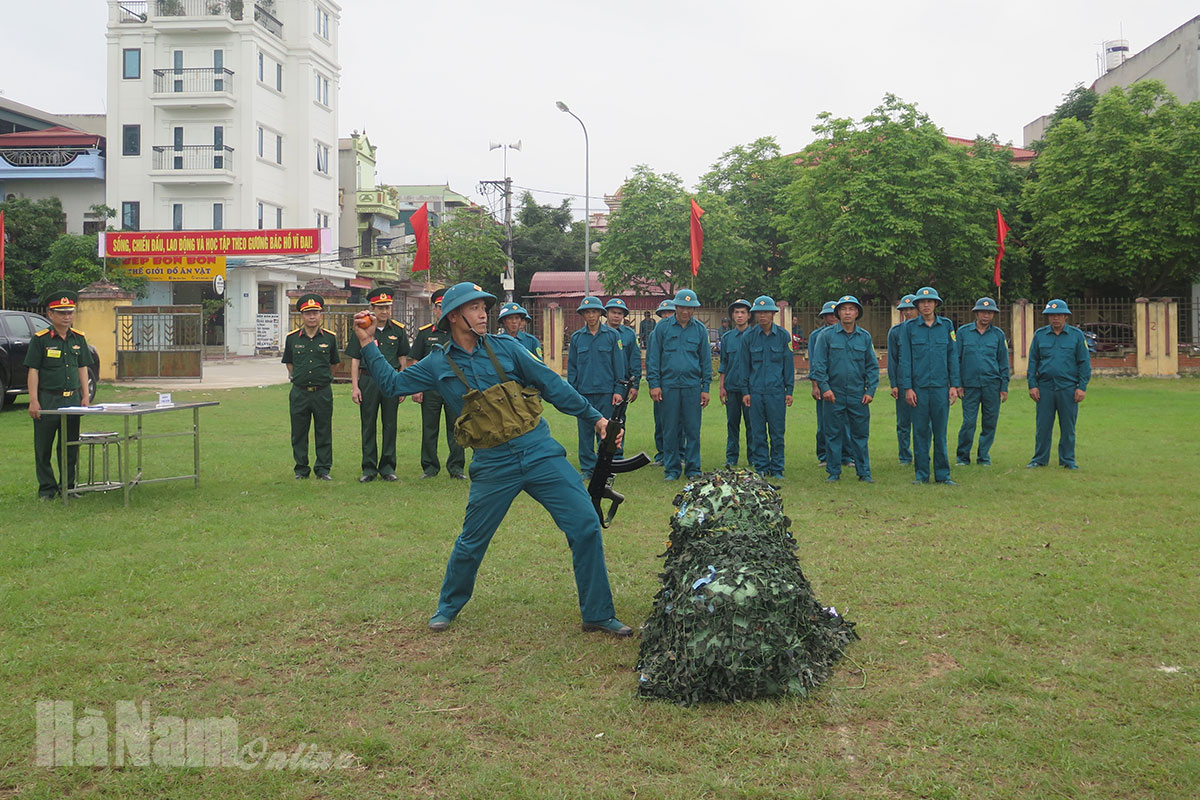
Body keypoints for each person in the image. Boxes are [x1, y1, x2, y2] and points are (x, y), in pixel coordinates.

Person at [353, 282, 632, 636]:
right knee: (472, 541)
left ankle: (597, 613)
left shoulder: (508, 349)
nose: (484, 313)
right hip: (492, 463)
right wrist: (366, 344)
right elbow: (393, 385)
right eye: (474, 308)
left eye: (485, 307)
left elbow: (552, 385)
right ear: (453, 316)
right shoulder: (437, 363)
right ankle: (447, 607)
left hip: (539, 451)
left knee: (586, 524)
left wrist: (597, 418)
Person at [24, 290, 94, 500]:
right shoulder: (41, 339)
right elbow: (33, 370)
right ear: (50, 314)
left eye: (70, 312)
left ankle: (68, 487)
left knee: (70, 445)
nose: (67, 316)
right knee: (43, 447)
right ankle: (47, 489)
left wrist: (85, 395)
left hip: (72, 399)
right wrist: (34, 400)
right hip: (48, 399)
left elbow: (82, 367)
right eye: (61, 312)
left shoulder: (78, 338)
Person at [810, 294, 879, 483]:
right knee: (832, 433)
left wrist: (870, 391)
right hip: (834, 393)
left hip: (858, 394)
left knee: (860, 434)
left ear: (857, 313)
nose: (847, 313)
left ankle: (864, 472)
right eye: (843, 309)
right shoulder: (826, 336)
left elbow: (872, 367)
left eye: (851, 309)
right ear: (838, 313)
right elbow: (819, 365)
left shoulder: (864, 337)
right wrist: (825, 388)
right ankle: (833, 472)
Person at [897, 286, 961, 485]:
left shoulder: (947, 326)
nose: (926, 305)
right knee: (920, 432)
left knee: (940, 434)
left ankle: (943, 475)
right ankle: (922, 475)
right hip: (919, 389)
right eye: (922, 302)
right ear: (917, 305)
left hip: (941, 388)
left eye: (930, 302)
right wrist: (907, 388)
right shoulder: (909, 328)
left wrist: (954, 385)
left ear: (936, 304)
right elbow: (905, 359)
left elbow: (953, 357)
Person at [646, 289, 710, 481]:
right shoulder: (663, 328)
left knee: (692, 430)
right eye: (682, 307)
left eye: (689, 308)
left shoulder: (699, 330)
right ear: (676, 306)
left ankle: (693, 469)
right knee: (670, 429)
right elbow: (653, 358)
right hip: (668, 386)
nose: (685, 311)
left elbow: (705, 361)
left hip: (692, 387)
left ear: (694, 309)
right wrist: (654, 384)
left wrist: (705, 388)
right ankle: (672, 469)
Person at [346, 287, 409, 483]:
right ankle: (369, 468)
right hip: (369, 380)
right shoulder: (362, 329)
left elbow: (402, 358)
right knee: (368, 424)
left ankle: (388, 467)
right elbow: (355, 360)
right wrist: (355, 386)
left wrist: (403, 383)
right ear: (372, 308)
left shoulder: (398, 330)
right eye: (380, 307)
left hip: (390, 381)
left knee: (390, 424)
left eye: (387, 307)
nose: (384, 311)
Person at [1026, 299, 1091, 470]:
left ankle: (1068, 460)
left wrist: (1081, 387)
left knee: (1068, 427)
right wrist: (1032, 385)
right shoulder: (1040, 335)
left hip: (1068, 388)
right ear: (1047, 317)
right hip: (1045, 388)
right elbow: (1033, 361)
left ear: (1065, 316)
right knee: (1043, 427)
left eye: (1059, 315)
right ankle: (1039, 459)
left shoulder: (1076, 336)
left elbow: (1084, 363)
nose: (1055, 318)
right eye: (1052, 315)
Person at [410, 288, 466, 480]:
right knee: (429, 428)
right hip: (431, 389)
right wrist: (416, 387)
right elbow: (414, 361)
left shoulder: (460, 333)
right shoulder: (425, 334)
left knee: (457, 428)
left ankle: (456, 467)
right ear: (434, 309)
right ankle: (430, 467)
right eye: (439, 307)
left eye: (446, 306)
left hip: (454, 388)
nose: (442, 310)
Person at [282, 293, 340, 480]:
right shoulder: (292, 339)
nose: (312, 316)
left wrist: (322, 378)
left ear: (321, 315)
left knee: (324, 431)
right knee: (299, 432)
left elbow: (334, 363)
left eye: (315, 312)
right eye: (308, 313)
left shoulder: (330, 338)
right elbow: (289, 363)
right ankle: (301, 469)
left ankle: (323, 469)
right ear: (302, 316)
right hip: (299, 392)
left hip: (322, 392)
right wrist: (297, 377)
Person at [568, 296, 626, 479]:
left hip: (607, 392)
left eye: (594, 311)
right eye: (587, 312)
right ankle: (587, 468)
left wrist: (618, 390)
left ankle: (605, 468)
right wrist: (573, 392)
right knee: (585, 432)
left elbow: (619, 366)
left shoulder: (612, 336)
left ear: (600, 314)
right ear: (583, 315)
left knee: (607, 432)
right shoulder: (577, 338)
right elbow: (572, 368)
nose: (591, 315)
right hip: (584, 393)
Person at [739, 295, 794, 478]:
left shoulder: (783, 336)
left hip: (776, 392)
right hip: (755, 393)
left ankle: (777, 468)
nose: (763, 316)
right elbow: (744, 366)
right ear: (755, 315)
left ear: (773, 314)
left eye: (766, 312)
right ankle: (761, 467)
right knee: (758, 432)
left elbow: (788, 365)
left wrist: (790, 390)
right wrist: (745, 391)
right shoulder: (748, 337)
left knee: (777, 433)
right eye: (759, 312)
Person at [955, 297, 1009, 466]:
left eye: (990, 312)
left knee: (990, 422)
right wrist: (957, 384)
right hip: (969, 385)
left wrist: (1004, 387)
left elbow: (1003, 362)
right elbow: (956, 359)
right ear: (976, 313)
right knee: (968, 422)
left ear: (993, 315)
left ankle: (983, 456)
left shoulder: (999, 335)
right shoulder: (963, 332)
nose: (986, 315)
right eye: (983, 312)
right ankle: (962, 456)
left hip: (992, 385)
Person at [718, 298, 752, 467]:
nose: (739, 316)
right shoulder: (727, 338)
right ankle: (731, 458)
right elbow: (724, 363)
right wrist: (721, 386)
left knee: (752, 424)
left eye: (743, 312)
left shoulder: (755, 336)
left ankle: (753, 457)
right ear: (732, 315)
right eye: (736, 312)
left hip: (750, 389)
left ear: (748, 316)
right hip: (731, 387)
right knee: (732, 423)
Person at [807, 301, 840, 465]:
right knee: (823, 422)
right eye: (829, 314)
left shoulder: (846, 333)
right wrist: (815, 385)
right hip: (822, 383)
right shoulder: (816, 335)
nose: (832, 317)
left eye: (835, 314)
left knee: (845, 422)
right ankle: (824, 455)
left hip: (842, 383)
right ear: (824, 317)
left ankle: (846, 455)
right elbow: (814, 362)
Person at [887, 294, 919, 464]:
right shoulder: (896, 332)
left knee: (923, 422)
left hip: (922, 381)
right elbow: (892, 359)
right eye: (904, 309)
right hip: (902, 381)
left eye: (911, 308)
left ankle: (922, 453)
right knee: (903, 422)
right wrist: (894, 384)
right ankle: (905, 456)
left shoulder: (924, 329)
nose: (908, 312)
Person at [648, 299, 675, 465]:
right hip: (661, 383)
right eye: (663, 313)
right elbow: (652, 360)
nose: (666, 316)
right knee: (660, 420)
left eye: (669, 312)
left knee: (679, 422)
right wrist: (654, 384)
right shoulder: (654, 334)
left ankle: (680, 453)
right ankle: (662, 453)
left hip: (677, 383)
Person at [603, 297, 641, 404]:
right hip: (602, 384)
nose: (616, 316)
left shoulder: (629, 334)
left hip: (623, 383)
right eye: (613, 312)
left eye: (620, 313)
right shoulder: (598, 333)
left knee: (618, 417)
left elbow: (635, 360)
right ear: (606, 313)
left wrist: (635, 385)